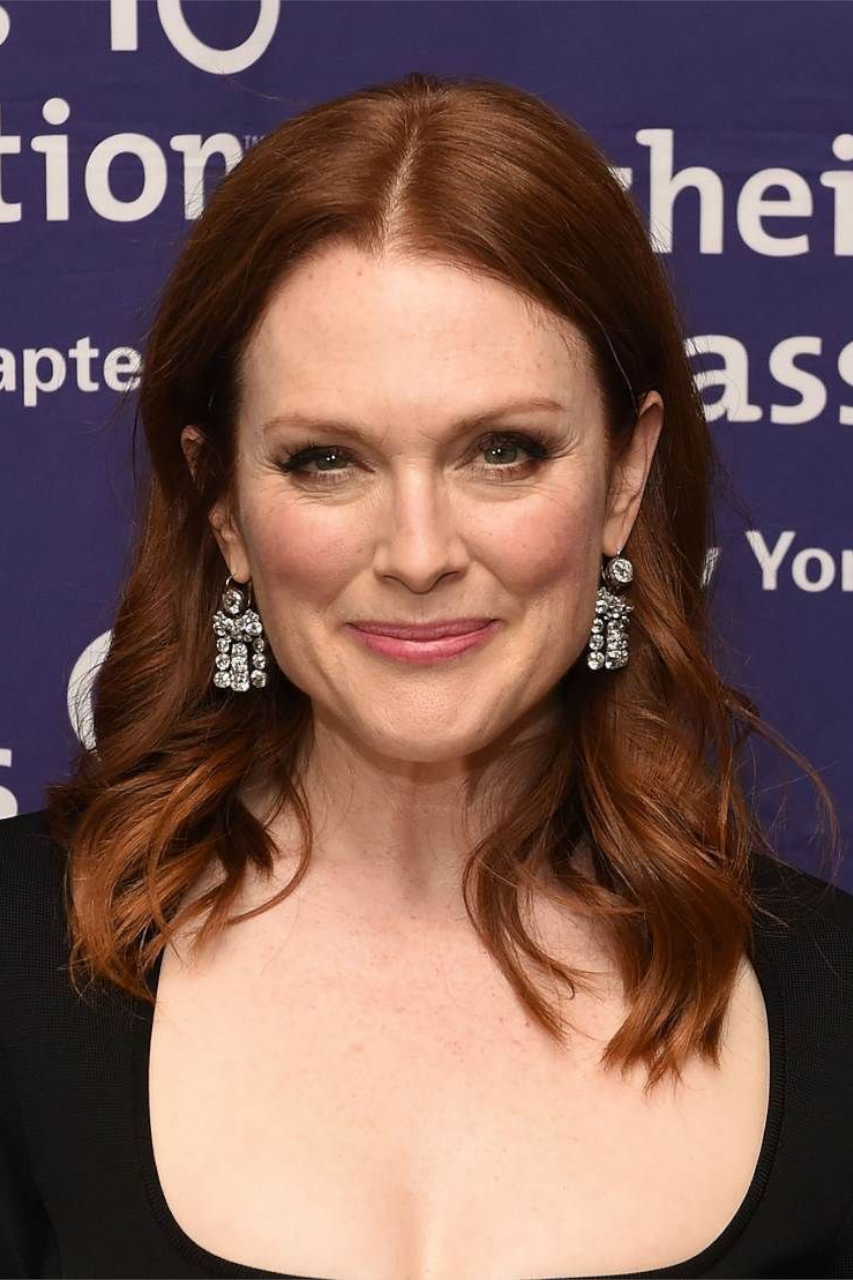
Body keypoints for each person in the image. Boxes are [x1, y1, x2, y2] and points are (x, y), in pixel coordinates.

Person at [1, 71, 851, 1280]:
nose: (416, 553)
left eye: (502, 451)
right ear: (221, 501)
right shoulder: (15, 966)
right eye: (326, 459)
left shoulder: (831, 1012)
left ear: (624, 477)